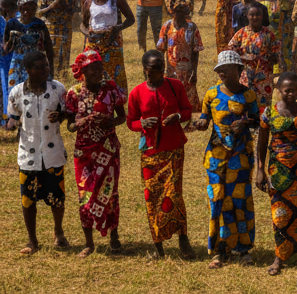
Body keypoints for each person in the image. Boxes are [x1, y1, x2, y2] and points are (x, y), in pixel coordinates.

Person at [126, 50, 194, 258]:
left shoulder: (175, 86)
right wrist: (142, 124)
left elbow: (188, 111)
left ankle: (182, 237)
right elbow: (131, 122)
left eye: (161, 69)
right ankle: (158, 246)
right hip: (150, 153)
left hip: (173, 149)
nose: (159, 73)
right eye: (154, 69)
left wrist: (177, 116)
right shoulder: (137, 93)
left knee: (173, 194)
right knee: (153, 197)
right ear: (145, 69)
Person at [199, 50, 261, 267]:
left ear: (238, 70)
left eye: (227, 69)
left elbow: (257, 122)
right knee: (217, 200)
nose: (222, 73)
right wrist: (199, 123)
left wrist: (244, 123)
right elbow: (204, 119)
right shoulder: (211, 94)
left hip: (241, 157)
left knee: (240, 200)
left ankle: (243, 250)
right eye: (220, 70)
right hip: (216, 158)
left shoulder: (249, 96)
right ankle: (219, 250)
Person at [65, 48, 126, 257]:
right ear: (83, 71)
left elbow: (122, 118)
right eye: (93, 69)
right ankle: (88, 243)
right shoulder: (73, 93)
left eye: (100, 68)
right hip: (84, 153)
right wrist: (83, 121)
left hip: (108, 150)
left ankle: (114, 237)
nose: (98, 73)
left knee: (110, 194)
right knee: (85, 195)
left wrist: (109, 121)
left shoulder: (110, 90)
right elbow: (70, 127)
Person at [254, 71, 297, 275]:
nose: (292, 94)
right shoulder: (269, 113)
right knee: (279, 214)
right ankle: (279, 256)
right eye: (287, 90)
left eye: (296, 90)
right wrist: (260, 170)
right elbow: (262, 143)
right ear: (279, 90)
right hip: (278, 171)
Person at [8, 50, 69, 255]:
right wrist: (11, 124)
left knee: (57, 198)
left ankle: (58, 232)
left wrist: (60, 116)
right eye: (40, 67)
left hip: (53, 152)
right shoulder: (17, 92)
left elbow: (68, 112)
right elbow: (13, 117)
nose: (45, 69)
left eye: (46, 66)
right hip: (28, 155)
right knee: (28, 200)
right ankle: (32, 240)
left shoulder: (57, 89)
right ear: (28, 70)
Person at [81, 0, 134, 95]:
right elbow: (83, 25)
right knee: (94, 72)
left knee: (113, 72)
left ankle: (116, 99)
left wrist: (117, 28)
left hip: (112, 42)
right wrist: (88, 34)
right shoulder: (90, 2)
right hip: (94, 44)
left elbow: (131, 19)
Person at [228, 1, 280, 112]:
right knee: (245, 105)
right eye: (252, 14)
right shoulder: (241, 33)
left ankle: (261, 128)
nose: (255, 17)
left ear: (262, 16)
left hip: (263, 78)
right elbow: (230, 50)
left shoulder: (269, 34)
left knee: (263, 108)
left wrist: (270, 57)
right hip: (245, 77)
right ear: (247, 16)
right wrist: (244, 57)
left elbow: (276, 55)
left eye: (258, 14)